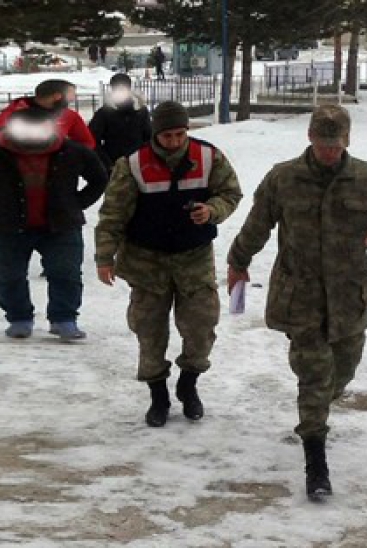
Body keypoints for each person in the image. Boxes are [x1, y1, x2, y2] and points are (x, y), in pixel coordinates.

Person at [226, 104, 367, 501]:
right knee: (314, 374)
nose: (328, 152)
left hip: (349, 295)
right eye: (322, 144)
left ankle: (320, 406)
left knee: (343, 370)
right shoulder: (283, 178)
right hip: (301, 295)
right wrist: (238, 261)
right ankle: (315, 459)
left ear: (347, 141)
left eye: (335, 145)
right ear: (309, 138)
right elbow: (257, 224)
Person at [95, 101, 242, 427]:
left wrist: (212, 210)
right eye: (168, 135)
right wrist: (104, 256)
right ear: (155, 134)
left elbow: (231, 193)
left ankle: (188, 384)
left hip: (194, 257)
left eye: (180, 134)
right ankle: (157, 395)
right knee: (149, 331)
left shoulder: (208, 157)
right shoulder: (133, 165)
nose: (175, 141)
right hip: (147, 260)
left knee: (201, 326)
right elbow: (113, 215)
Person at [0, 108, 108, 340]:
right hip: (4, 227)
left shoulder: (71, 151)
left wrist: (75, 203)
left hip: (61, 226)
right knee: (9, 275)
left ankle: (64, 319)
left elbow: (99, 178)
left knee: (66, 273)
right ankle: (19, 318)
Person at [0, 79, 95, 151]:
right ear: (57, 96)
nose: (73, 99)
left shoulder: (70, 116)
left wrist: (71, 158)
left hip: (57, 177)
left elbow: (87, 143)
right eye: (71, 95)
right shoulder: (14, 114)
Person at [88, 73, 151, 173]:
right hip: (113, 165)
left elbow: (149, 136)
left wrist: (144, 158)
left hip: (138, 164)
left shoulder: (141, 111)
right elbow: (92, 139)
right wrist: (106, 163)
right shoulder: (104, 112)